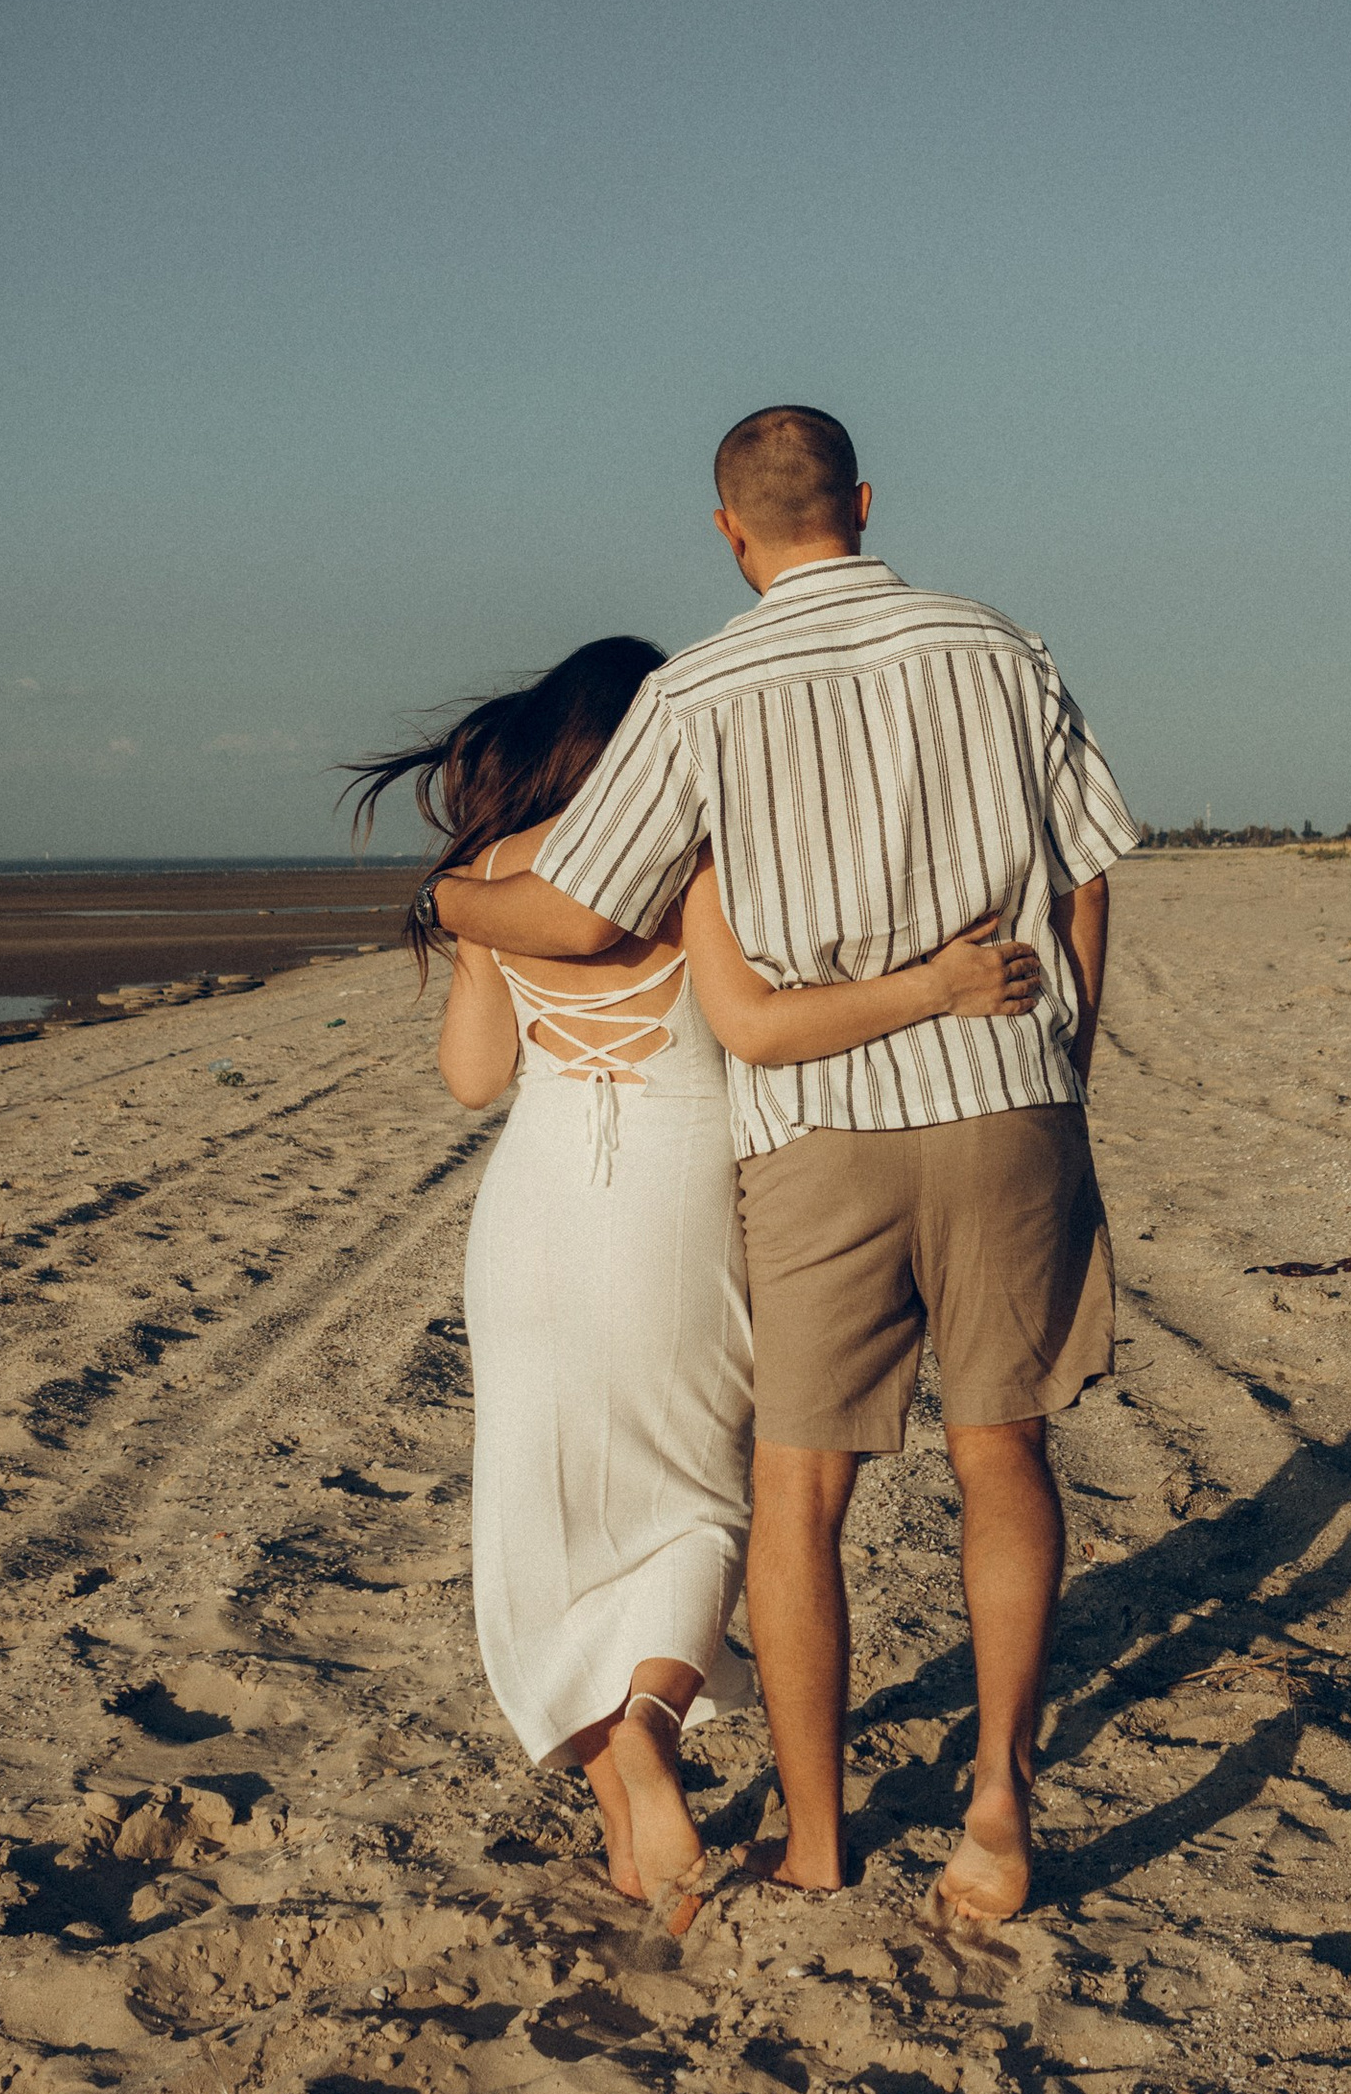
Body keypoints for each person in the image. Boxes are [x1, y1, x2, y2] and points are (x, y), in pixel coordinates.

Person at [431, 410, 1137, 1922]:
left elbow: (575, 917)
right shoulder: (1003, 649)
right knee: (1000, 1452)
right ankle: (999, 1803)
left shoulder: (696, 694)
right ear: (868, 503)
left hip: (813, 1124)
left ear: (727, 531)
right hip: (1006, 1097)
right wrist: (1055, 1064)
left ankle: (816, 1845)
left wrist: (450, 895)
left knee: (797, 1495)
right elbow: (1084, 879)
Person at [346, 637, 1042, 1921]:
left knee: (542, 1514)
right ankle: (652, 1719)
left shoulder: (488, 876)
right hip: (677, 1202)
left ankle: (626, 1782)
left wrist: (463, 918)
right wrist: (935, 987)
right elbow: (756, 1030)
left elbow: (471, 1078)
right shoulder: (699, 860)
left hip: (535, 1207)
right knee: (696, 1506)